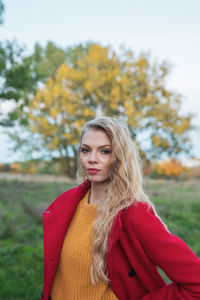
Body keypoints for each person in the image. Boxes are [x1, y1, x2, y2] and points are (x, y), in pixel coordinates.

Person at [40, 117, 200, 300]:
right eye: (86, 150)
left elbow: (196, 283)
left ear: (120, 157)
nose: (92, 159)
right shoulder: (67, 203)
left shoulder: (135, 214)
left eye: (105, 152)